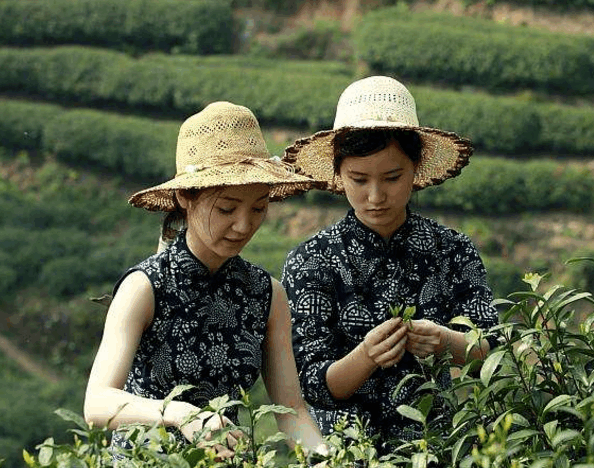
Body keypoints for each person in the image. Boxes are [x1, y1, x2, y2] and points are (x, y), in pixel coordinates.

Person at [83, 101, 327, 460]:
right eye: (227, 209)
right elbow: (97, 404)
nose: (244, 225)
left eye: (258, 208)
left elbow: (292, 412)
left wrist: (326, 459)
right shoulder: (145, 287)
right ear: (185, 197)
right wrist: (181, 414)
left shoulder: (266, 294)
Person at [280, 76, 499, 449]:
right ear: (339, 175)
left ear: (416, 169)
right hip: (346, 454)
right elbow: (311, 386)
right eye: (359, 180)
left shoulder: (453, 251)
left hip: (437, 449)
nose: (375, 196)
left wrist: (446, 340)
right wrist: (365, 356)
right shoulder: (311, 261)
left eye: (392, 178)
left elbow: (492, 351)